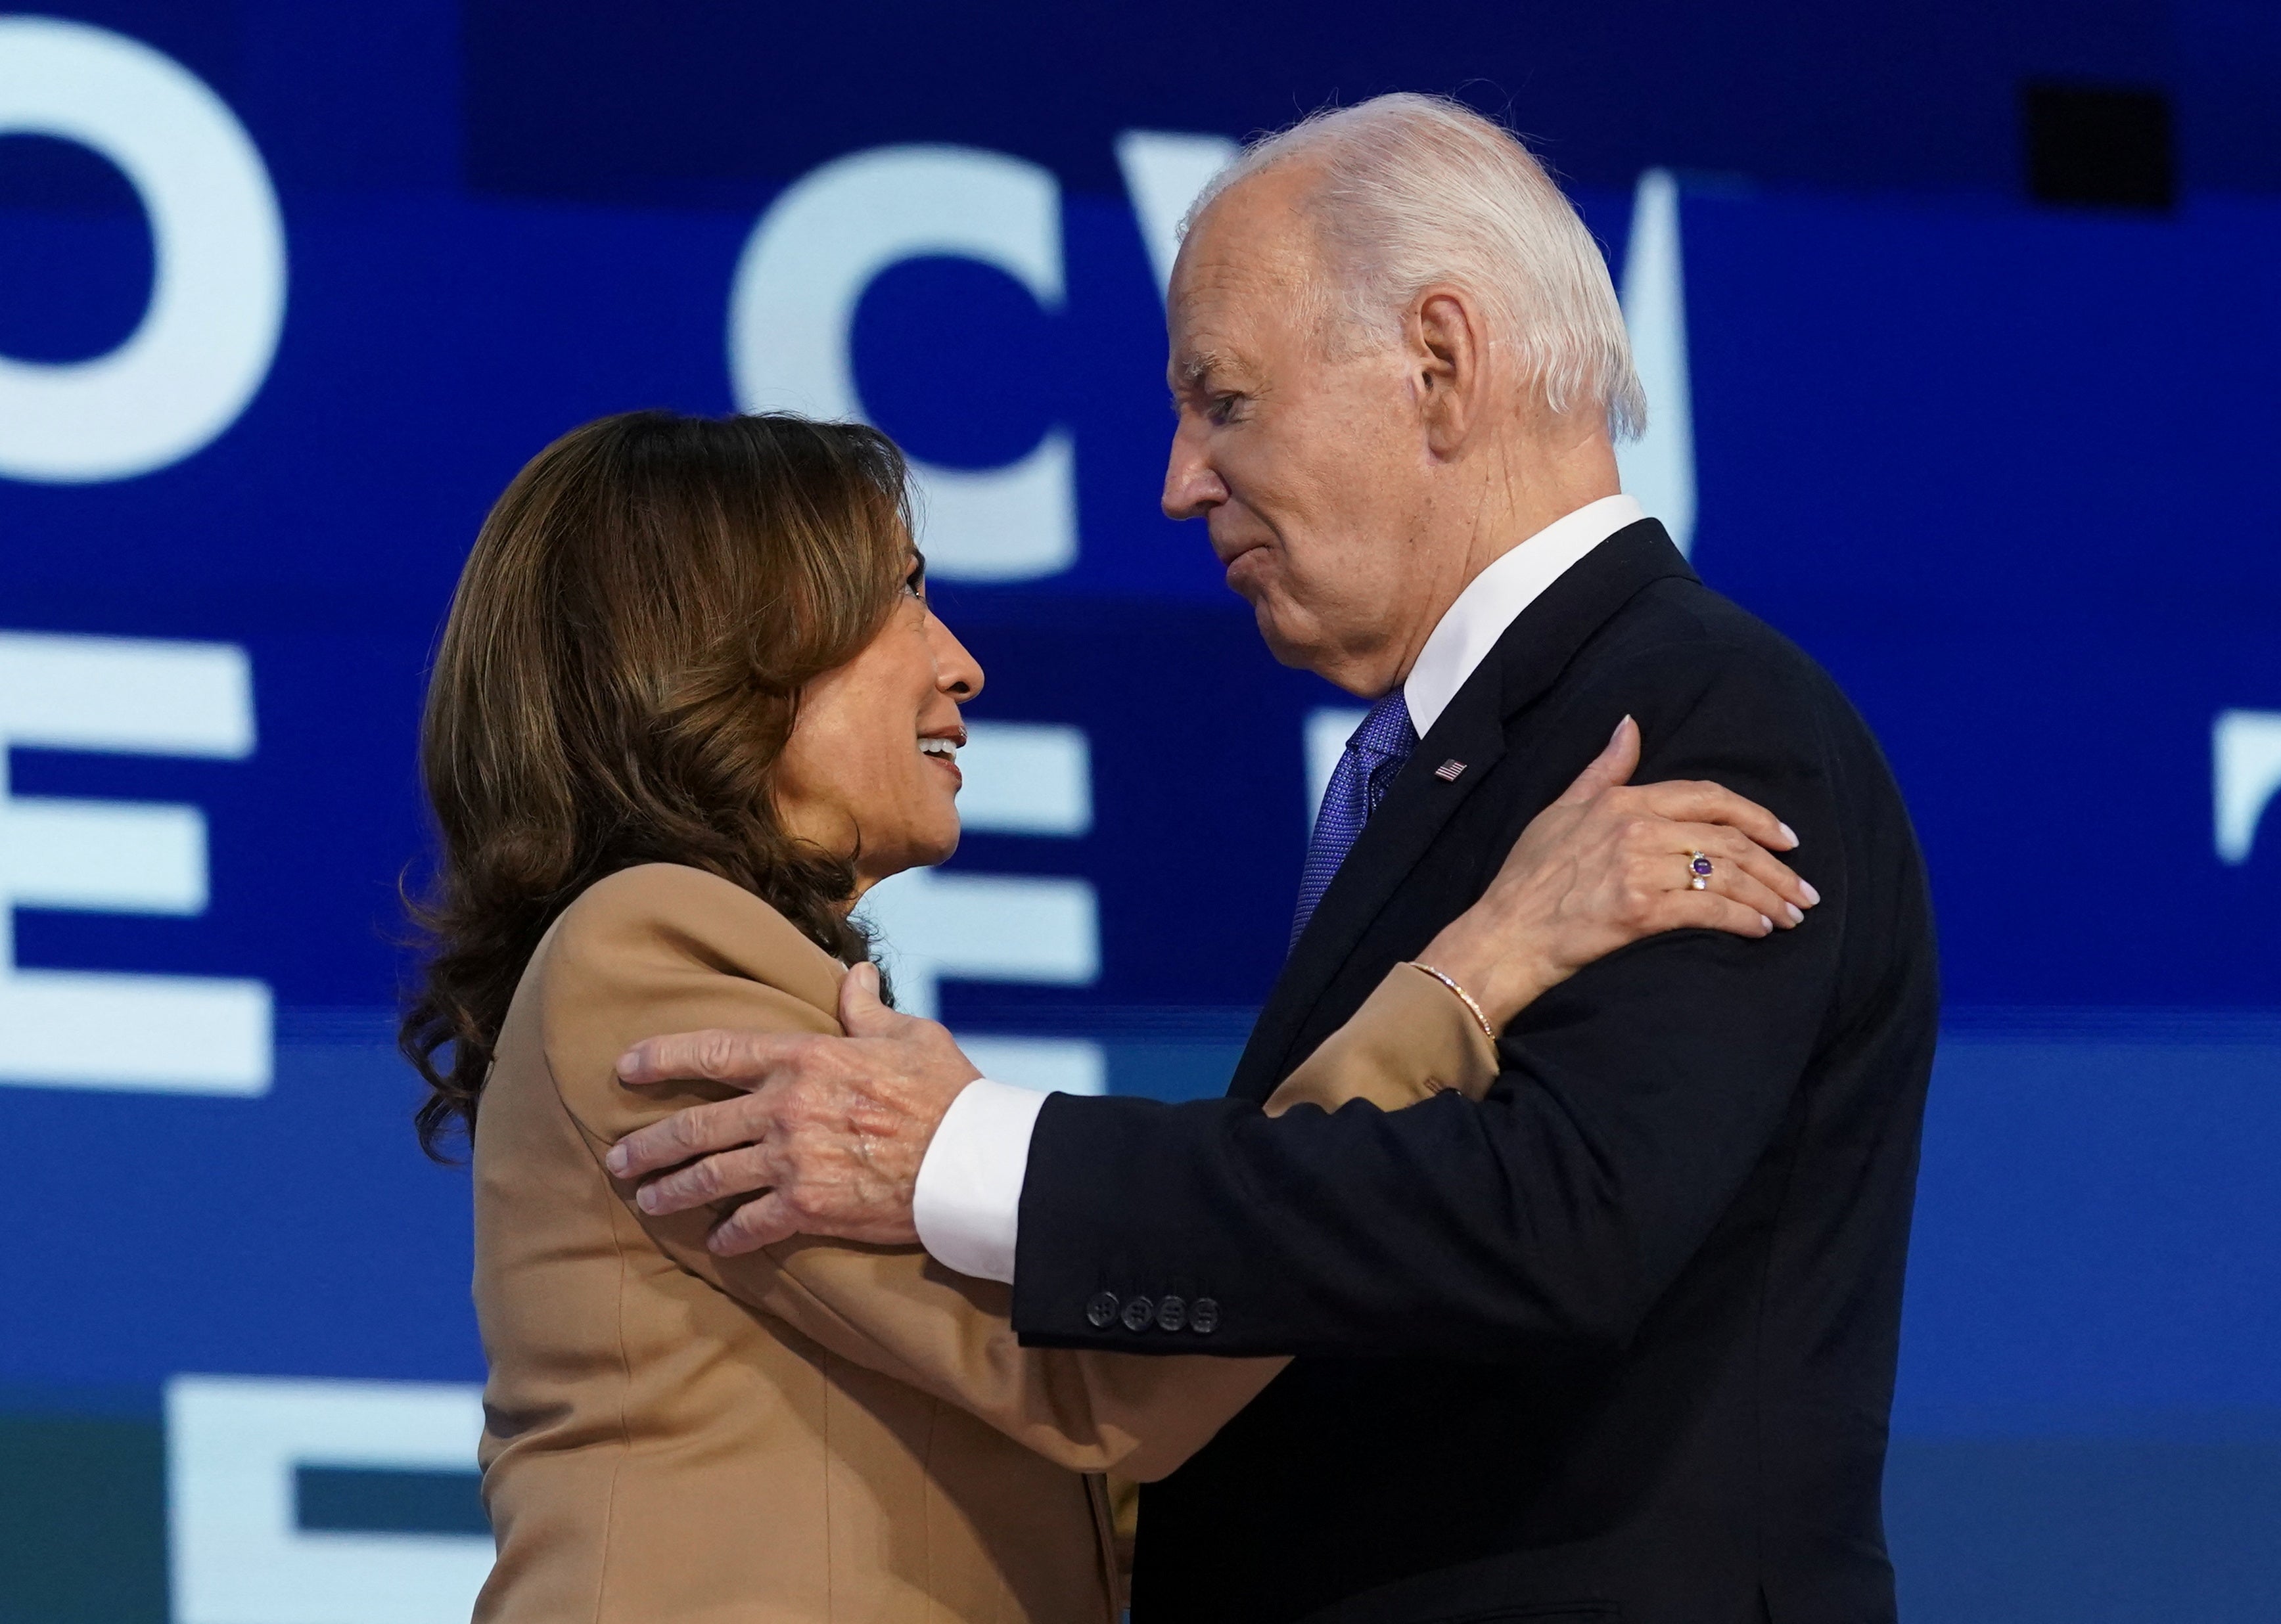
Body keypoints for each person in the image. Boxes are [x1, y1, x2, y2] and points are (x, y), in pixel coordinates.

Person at [611, 93, 1940, 1624]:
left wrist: (968, 1155)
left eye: (1224, 402)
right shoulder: (1485, 747)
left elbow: (1567, 1218)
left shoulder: (1686, 721)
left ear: (1438, 363)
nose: (1178, 481)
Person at [403, 408, 1816, 1620]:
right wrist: (1481, 965)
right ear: (713, 648)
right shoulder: (651, 943)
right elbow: (1106, 1382)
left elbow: (1058, 1450)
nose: (955, 661)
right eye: (893, 597)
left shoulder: (721, 963)